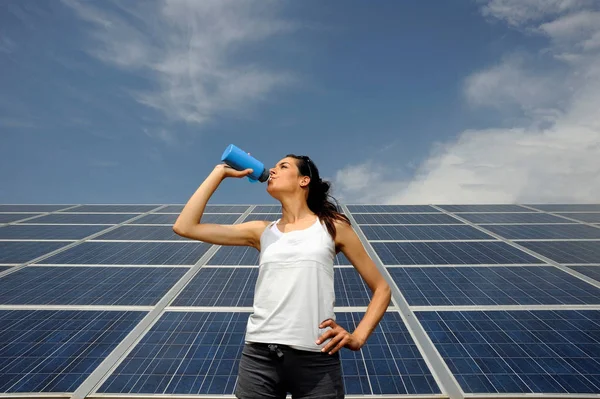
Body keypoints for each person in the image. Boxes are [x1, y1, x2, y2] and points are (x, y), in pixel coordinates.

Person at [173, 154, 391, 399]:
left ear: (304, 180)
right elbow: (185, 226)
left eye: (283, 166)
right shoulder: (261, 230)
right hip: (259, 356)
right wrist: (219, 173)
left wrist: (358, 337)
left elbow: (382, 289)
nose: (272, 171)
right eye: (273, 167)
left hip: (317, 356)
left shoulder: (333, 226)